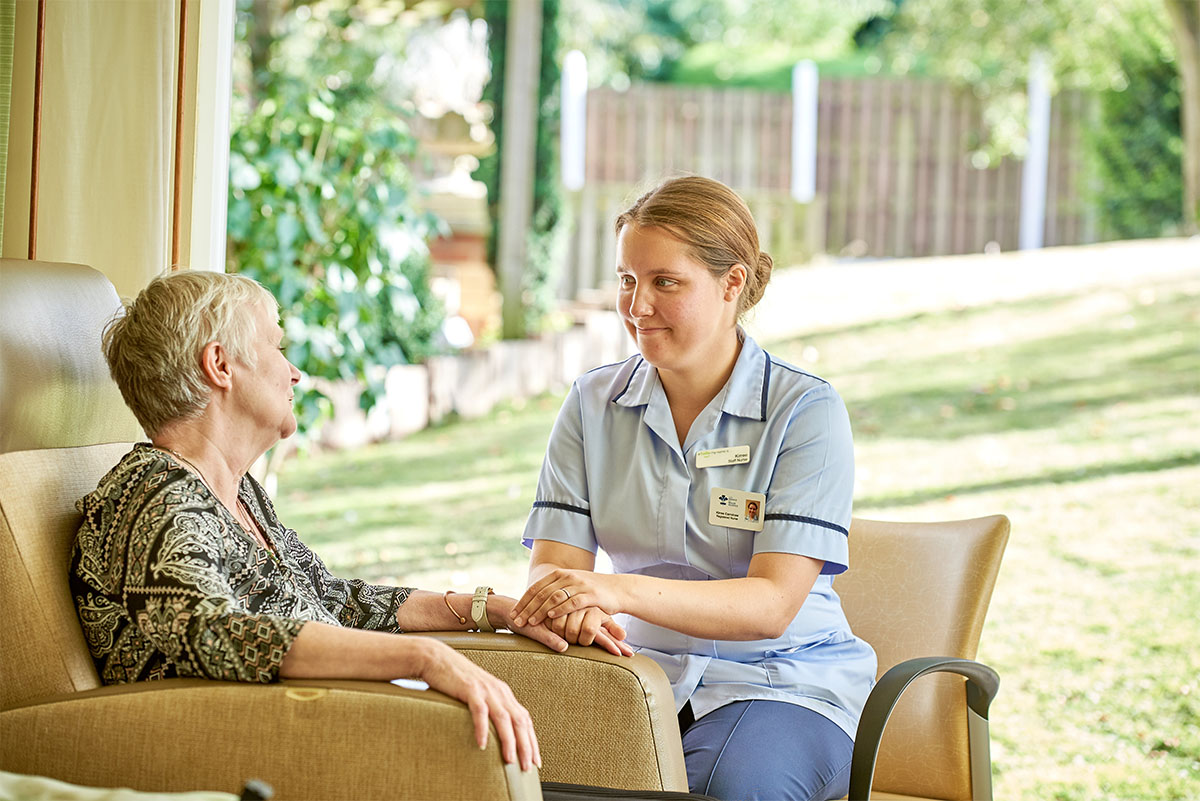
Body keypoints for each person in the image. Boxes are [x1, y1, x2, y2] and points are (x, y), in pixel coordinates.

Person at [69, 270, 630, 775]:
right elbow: (211, 635)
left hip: (313, 729)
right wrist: (426, 658)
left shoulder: (238, 496)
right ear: (220, 366)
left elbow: (333, 600)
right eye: (277, 347)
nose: (293, 372)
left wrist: (492, 608)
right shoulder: (153, 493)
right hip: (234, 749)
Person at [511, 176, 877, 801]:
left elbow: (770, 605)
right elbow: (554, 575)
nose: (636, 306)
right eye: (628, 280)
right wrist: (577, 609)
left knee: (726, 788)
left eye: (664, 282)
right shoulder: (591, 403)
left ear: (732, 284)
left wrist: (613, 589)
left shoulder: (804, 412)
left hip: (779, 683)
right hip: (631, 678)